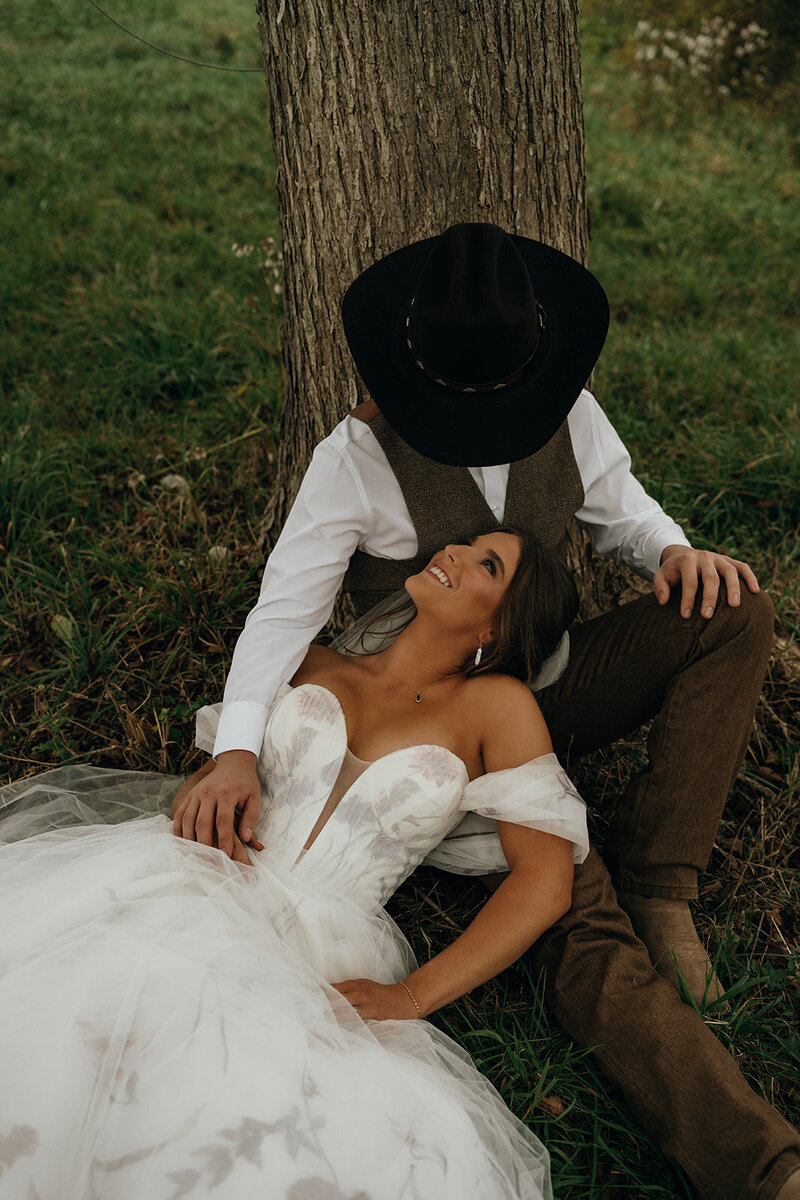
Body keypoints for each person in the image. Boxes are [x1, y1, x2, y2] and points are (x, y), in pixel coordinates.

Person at [175, 223, 800, 1199]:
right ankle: (763, 1169)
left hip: (552, 675)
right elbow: (283, 610)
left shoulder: (567, 413)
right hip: (440, 728)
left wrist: (673, 551)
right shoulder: (354, 458)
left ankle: (662, 879)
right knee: (581, 938)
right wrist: (239, 750)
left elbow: (623, 510)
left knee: (735, 609)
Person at [0, 529, 585, 1200]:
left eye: (488, 563)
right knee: (78, 1019)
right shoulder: (310, 662)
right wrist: (209, 791)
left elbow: (545, 883)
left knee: (245, 1100)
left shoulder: (498, 708)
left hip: (324, 943)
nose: (452, 552)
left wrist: (412, 996)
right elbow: (214, 781)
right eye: (467, 542)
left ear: (504, 624)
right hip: (203, 881)